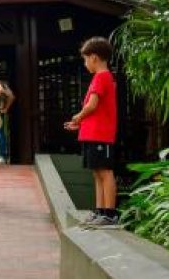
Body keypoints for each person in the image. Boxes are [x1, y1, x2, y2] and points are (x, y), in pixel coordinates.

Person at [64, 37, 119, 227]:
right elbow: (97, 110)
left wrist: (78, 117)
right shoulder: (103, 77)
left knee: (105, 172)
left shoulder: (101, 77)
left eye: (85, 59)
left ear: (94, 57)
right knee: (97, 172)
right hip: (93, 133)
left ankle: (109, 213)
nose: (85, 63)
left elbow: (92, 105)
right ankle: (100, 211)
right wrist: (80, 123)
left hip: (100, 134)